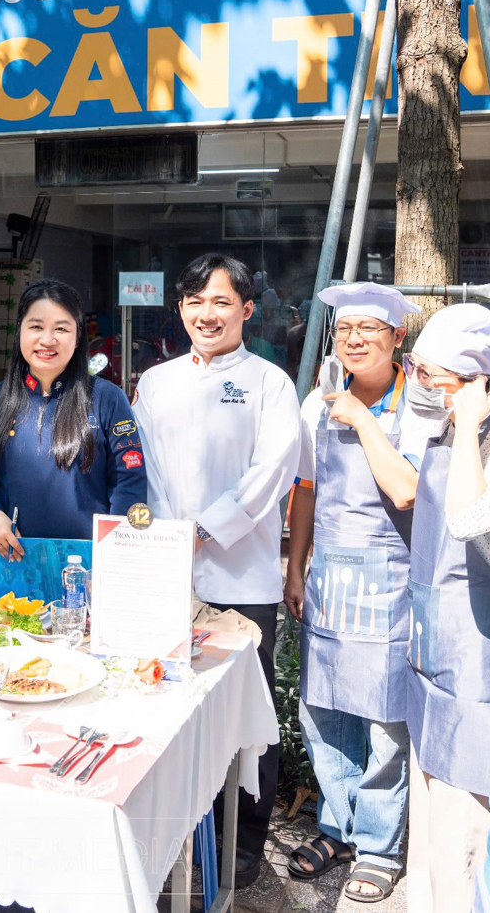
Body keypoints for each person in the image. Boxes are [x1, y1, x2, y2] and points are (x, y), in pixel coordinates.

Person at [133, 254, 300, 889]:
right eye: (196, 302)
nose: (208, 314)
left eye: (222, 302)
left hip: (241, 581)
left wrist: (202, 531)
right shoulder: (156, 383)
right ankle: (178, 836)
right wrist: (168, 536)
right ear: (180, 309)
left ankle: (243, 846)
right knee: (171, 710)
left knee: (248, 720)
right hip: (167, 575)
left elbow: (271, 473)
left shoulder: (269, 383)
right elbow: (144, 468)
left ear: (247, 310)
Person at [284, 283, 447, 903]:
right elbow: (306, 489)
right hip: (331, 579)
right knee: (323, 709)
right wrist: (296, 568)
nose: (353, 340)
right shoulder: (316, 403)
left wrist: (360, 418)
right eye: (344, 329)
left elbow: (407, 490)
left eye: (368, 329)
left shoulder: (423, 406)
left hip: (391, 582)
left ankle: (379, 845)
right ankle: (338, 826)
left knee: (384, 719)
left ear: (397, 338)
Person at [400, 303, 490, 913]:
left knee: (466, 800)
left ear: (482, 384)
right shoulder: (437, 433)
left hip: (478, 642)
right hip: (431, 634)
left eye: (434, 376)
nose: (421, 386)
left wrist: (466, 427)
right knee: (430, 787)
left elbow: (467, 517)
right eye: (417, 370)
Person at [0, 278, 146, 558]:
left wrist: (114, 551)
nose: (47, 340)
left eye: (61, 329)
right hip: (14, 559)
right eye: (36, 327)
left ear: (78, 336)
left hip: (91, 562)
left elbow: (129, 482)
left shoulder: (107, 399)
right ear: (20, 331)